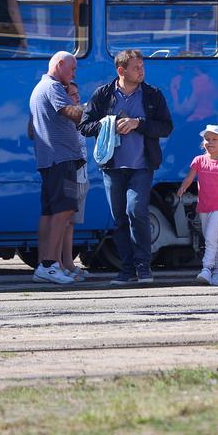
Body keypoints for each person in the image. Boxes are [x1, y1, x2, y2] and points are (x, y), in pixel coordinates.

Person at [80, 49, 174, 286]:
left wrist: (138, 124)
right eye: (136, 68)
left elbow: (165, 127)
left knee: (136, 211)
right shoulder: (103, 95)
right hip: (112, 166)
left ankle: (143, 266)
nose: (141, 71)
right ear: (121, 71)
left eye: (142, 67)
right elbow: (85, 126)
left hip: (142, 166)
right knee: (119, 218)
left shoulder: (153, 95)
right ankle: (127, 269)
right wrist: (107, 124)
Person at [28, 51, 86, 285]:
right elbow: (72, 113)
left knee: (50, 213)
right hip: (61, 160)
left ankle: (45, 264)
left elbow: (30, 129)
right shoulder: (53, 87)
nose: (73, 75)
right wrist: (94, 109)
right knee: (63, 211)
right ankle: (50, 265)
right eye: (72, 70)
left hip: (49, 160)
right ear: (60, 64)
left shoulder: (38, 89)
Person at [174, 123, 218, 286]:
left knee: (211, 237)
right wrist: (183, 186)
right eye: (207, 139)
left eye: (214, 139)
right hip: (204, 206)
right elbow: (190, 177)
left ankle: (206, 269)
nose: (210, 142)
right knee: (210, 238)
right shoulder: (198, 161)